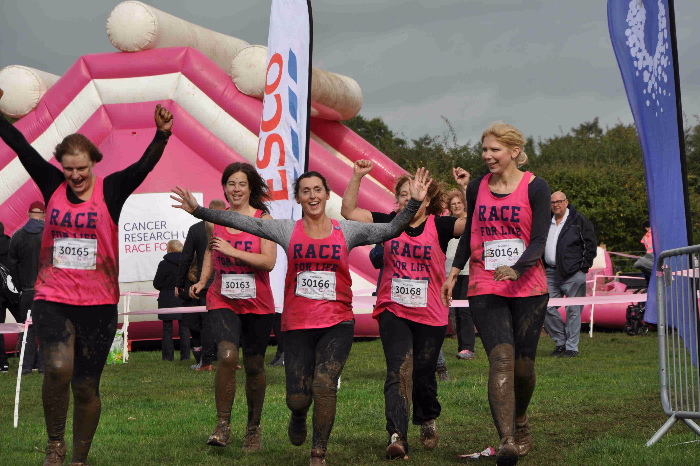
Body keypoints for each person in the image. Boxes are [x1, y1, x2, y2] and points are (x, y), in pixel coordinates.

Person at [171, 167, 431, 466]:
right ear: (298, 198)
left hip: (337, 323)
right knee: (298, 398)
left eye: (317, 190)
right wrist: (199, 210)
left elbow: (390, 229)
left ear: (327, 195)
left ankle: (318, 451)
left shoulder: (345, 230)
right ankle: (297, 414)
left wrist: (414, 203)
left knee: (324, 383)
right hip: (297, 325)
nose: (312, 196)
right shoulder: (286, 230)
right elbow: (239, 219)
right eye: (306, 191)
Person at [0, 86, 173, 466]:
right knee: (59, 368)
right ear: (60, 167)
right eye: (68, 169)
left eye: (82, 168)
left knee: (85, 386)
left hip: (98, 304)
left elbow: (142, 167)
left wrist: (161, 134)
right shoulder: (51, 185)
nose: (75, 176)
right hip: (53, 297)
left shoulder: (111, 190)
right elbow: (20, 146)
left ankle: (79, 457)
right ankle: (55, 446)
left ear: (94, 163)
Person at [341, 160, 466, 459]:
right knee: (398, 370)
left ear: (428, 198)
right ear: (396, 199)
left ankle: (427, 417)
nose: (409, 199)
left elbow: (472, 225)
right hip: (392, 309)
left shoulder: (440, 225)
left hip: (431, 312)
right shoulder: (389, 222)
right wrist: (357, 176)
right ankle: (396, 434)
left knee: (423, 373)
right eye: (403, 195)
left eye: (415, 193)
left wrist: (464, 188)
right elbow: (348, 212)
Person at [442, 121, 550, 466]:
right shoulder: (476, 187)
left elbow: (538, 241)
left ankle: (520, 420)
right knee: (501, 359)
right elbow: (472, 229)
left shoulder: (536, 187)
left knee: (523, 367)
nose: (487, 156)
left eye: (494, 150)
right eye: (484, 150)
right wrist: (455, 270)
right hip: (485, 284)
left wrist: (517, 267)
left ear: (514, 152)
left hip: (528, 286)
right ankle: (506, 440)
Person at [190, 162, 277, 452]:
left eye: (241, 184)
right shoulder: (216, 218)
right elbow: (209, 251)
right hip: (222, 298)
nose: (236, 189)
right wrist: (203, 281)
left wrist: (233, 250)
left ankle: (253, 428)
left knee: (254, 365)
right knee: (227, 356)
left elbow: (269, 262)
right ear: (224, 187)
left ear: (250, 187)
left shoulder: (263, 221)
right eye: (231, 184)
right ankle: (222, 426)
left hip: (258, 303)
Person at [543, 191, 597, 358]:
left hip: (574, 273)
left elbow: (590, 246)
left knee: (574, 311)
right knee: (544, 306)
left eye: (559, 201)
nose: (556, 205)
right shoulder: (545, 221)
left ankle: (571, 348)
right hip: (550, 272)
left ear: (566, 202)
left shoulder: (579, 220)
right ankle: (561, 342)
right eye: (553, 202)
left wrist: (582, 269)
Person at [176, 199, 226, 371]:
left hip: (206, 283)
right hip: (227, 281)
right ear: (224, 210)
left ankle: (207, 362)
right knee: (229, 321)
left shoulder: (195, 229)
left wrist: (180, 283)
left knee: (206, 324)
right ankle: (231, 359)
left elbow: (186, 258)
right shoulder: (231, 226)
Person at [6, 202, 47, 375]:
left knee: (27, 330)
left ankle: (26, 367)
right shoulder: (50, 235)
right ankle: (44, 367)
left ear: (29, 214)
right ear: (44, 215)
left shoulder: (17, 236)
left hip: (27, 290)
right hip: (47, 291)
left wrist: (20, 286)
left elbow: (12, 266)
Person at [445, 180, 476, 361]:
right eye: (453, 204)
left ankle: (468, 347)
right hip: (451, 273)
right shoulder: (448, 223)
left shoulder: (470, 221)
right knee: (455, 311)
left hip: (468, 272)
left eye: (459, 203)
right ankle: (461, 347)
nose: (456, 206)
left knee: (465, 310)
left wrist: (465, 187)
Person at [153, 239, 190, 361]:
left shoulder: (163, 264)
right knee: (184, 329)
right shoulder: (188, 263)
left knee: (167, 329)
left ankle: (168, 357)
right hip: (183, 298)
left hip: (167, 299)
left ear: (169, 249)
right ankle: (185, 356)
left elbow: (157, 284)